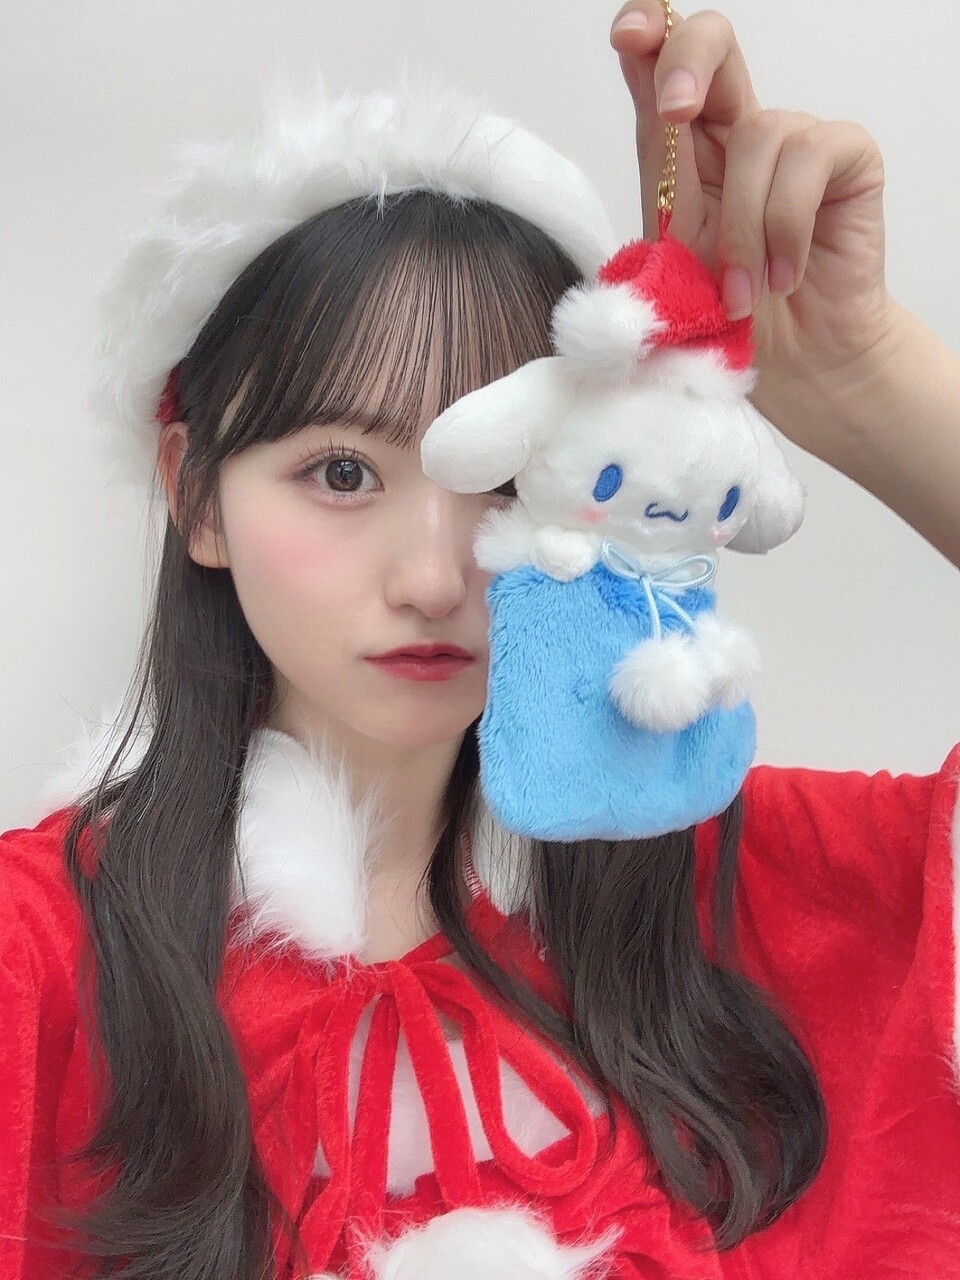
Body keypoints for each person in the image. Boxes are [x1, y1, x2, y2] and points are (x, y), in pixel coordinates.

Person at [1, 4, 958, 1279]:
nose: (436, 576)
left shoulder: (737, 889)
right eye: (342, 472)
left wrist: (863, 373)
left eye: (509, 482)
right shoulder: (41, 959)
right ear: (196, 494)